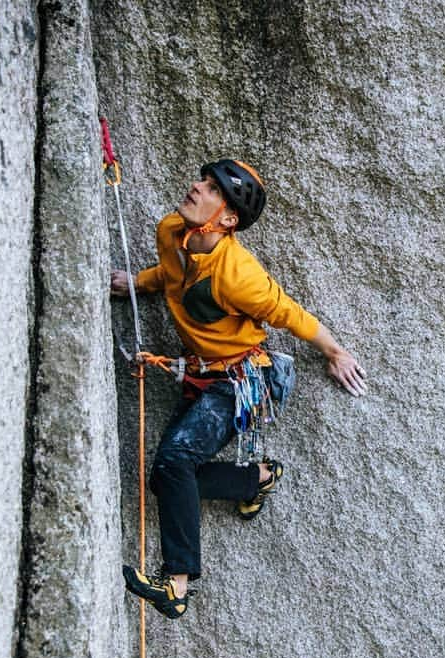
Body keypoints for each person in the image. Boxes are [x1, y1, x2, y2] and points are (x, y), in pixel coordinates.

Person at [113, 159, 366, 619]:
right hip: (205, 372)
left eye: (212, 189)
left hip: (247, 379)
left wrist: (336, 352)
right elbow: (171, 275)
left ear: (228, 219)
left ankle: (177, 584)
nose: (196, 187)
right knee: (167, 477)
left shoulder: (238, 274)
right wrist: (138, 283)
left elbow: (289, 313)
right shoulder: (171, 230)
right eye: (202, 180)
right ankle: (257, 479)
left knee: (175, 463)